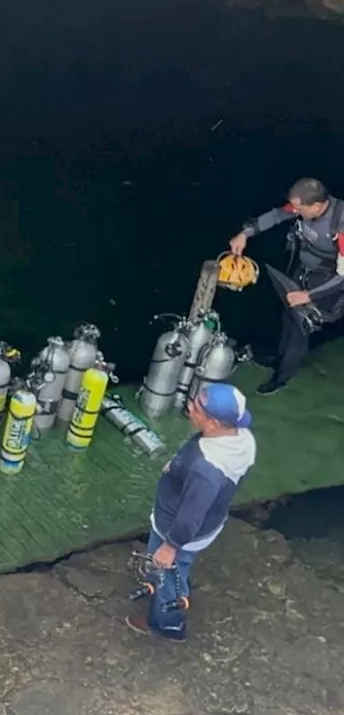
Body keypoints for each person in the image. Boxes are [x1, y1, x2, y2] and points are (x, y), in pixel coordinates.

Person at [126, 383, 256, 641]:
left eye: (197, 407)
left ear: (214, 422)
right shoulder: (240, 438)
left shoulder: (205, 472)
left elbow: (190, 516)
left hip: (178, 530)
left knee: (168, 575)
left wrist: (169, 547)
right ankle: (160, 581)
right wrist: (177, 466)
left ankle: (168, 624)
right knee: (168, 569)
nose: (190, 406)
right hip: (208, 520)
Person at [228, 177, 344, 395]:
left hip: (327, 281)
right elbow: (277, 215)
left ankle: (283, 376)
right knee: (287, 314)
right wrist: (245, 233)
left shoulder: (341, 224)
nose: (296, 212)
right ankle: (279, 358)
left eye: (300, 209)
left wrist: (308, 295)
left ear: (317, 205)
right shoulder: (303, 206)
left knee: (301, 326)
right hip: (302, 270)